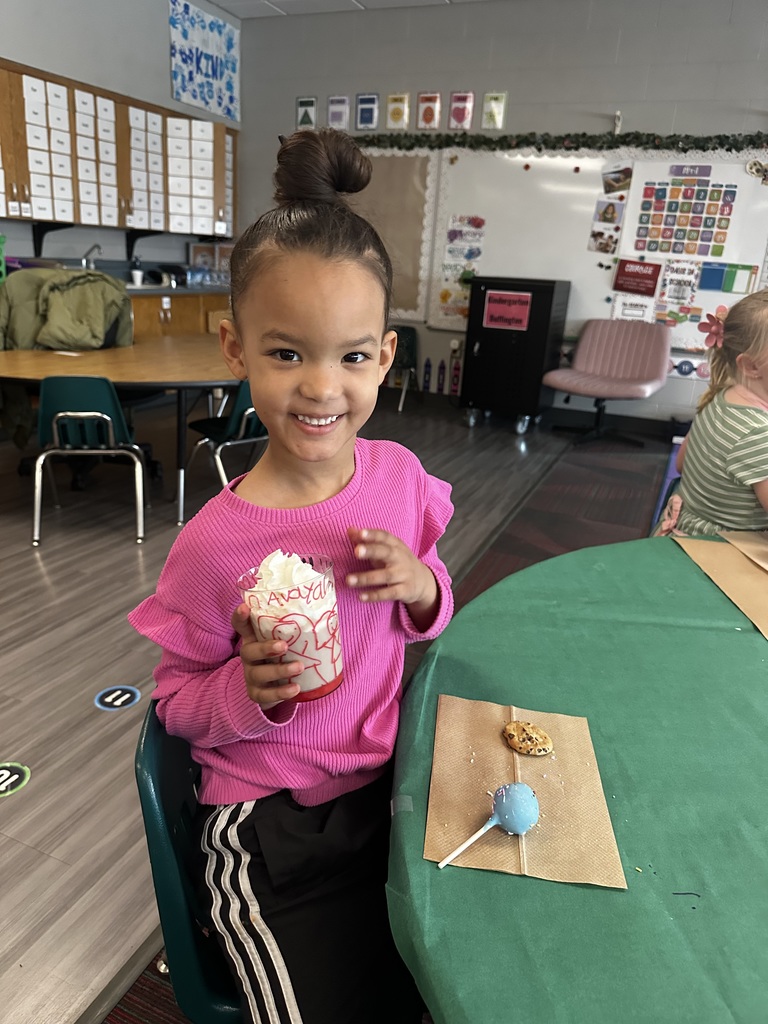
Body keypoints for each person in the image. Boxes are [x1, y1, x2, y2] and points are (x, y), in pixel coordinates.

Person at [129, 128, 454, 1024]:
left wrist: (422, 589)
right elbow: (174, 702)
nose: (321, 388)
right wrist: (246, 691)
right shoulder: (213, 545)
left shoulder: (398, 481)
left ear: (385, 357)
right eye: (286, 354)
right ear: (235, 349)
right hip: (268, 827)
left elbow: (434, 602)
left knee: (449, 978)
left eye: (351, 356)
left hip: (385, 791)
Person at [655, 292, 768, 536]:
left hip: (681, 529)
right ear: (750, 366)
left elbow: (682, 463)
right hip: (719, 553)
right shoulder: (759, 435)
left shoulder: (724, 397)